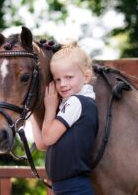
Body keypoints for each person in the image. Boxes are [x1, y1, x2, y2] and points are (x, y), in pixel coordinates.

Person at [31, 40, 98, 195]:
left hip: (75, 189)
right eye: (57, 79)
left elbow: (47, 138)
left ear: (86, 77)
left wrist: (50, 107)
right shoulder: (72, 104)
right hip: (64, 188)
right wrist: (33, 109)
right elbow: (42, 143)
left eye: (69, 77)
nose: (62, 84)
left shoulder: (76, 102)